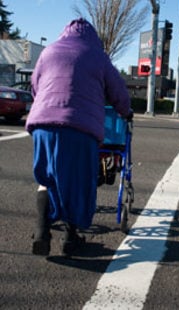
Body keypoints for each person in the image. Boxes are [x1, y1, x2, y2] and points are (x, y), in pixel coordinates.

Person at [26, 18, 131, 256]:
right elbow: (118, 94)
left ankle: (42, 231)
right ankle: (70, 239)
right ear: (93, 37)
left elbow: (35, 86)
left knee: (47, 177)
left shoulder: (49, 51)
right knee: (78, 183)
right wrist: (126, 111)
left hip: (43, 125)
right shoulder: (97, 56)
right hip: (81, 129)